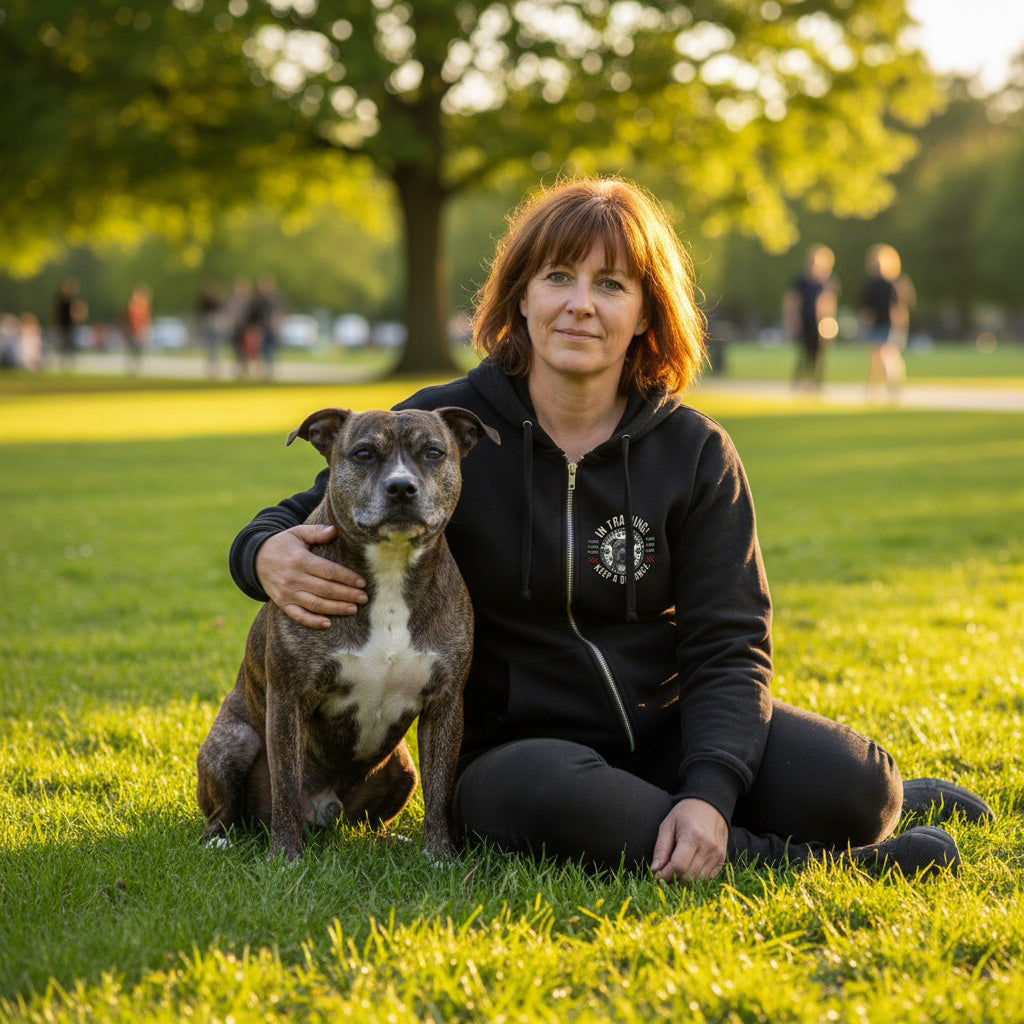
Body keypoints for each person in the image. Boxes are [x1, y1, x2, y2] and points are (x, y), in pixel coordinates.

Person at [228, 177, 993, 881]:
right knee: (544, 800)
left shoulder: (695, 452)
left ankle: (887, 797)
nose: (579, 305)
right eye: (557, 277)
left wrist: (711, 786)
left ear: (645, 314)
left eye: (611, 285)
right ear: (519, 298)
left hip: (663, 723)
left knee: (856, 791)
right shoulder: (445, 432)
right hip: (518, 753)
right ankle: (796, 863)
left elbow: (730, 641)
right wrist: (262, 554)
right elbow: (310, 509)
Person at [859, 244, 915, 396]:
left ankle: (892, 384)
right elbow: (868, 310)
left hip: (888, 325)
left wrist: (900, 326)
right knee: (878, 357)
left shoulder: (894, 285)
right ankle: (875, 386)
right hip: (877, 325)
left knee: (885, 355)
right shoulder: (871, 285)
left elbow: (899, 309)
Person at [783, 244, 838, 390]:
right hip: (804, 322)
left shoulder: (827, 283)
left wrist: (829, 324)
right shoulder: (800, 282)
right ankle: (800, 381)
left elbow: (829, 304)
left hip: (821, 324)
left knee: (819, 355)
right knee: (804, 353)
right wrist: (792, 321)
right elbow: (792, 302)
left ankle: (817, 383)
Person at [124, 284, 152, 374]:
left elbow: (145, 319)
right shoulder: (133, 306)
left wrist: (144, 329)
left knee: (137, 349)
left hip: (138, 330)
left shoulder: (143, 307)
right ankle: (132, 367)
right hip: (132, 330)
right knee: (133, 349)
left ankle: (135, 366)